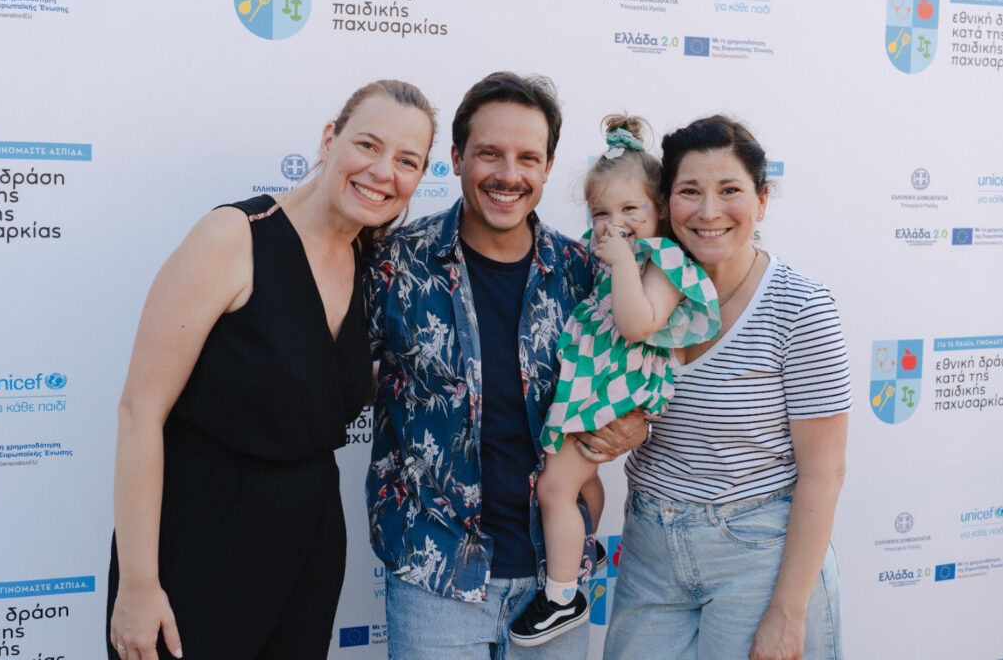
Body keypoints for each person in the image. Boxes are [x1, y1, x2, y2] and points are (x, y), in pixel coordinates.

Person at [106, 80, 436, 660]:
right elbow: (140, 413)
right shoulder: (233, 236)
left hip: (308, 546)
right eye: (368, 144)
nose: (384, 171)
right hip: (200, 536)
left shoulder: (371, 262)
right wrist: (138, 585)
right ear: (329, 140)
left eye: (407, 160)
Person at [364, 72, 647, 660]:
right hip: (434, 577)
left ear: (547, 168)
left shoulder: (584, 271)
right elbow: (329, 378)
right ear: (457, 158)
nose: (508, 175)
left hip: (554, 581)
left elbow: (645, 361)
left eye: (528, 158)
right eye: (490, 153)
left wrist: (637, 424)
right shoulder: (395, 264)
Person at [603, 115, 851, 660]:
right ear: (665, 203)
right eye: (690, 191)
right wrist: (625, 426)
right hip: (650, 554)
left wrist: (787, 613)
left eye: (730, 190)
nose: (709, 211)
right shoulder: (632, 290)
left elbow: (824, 473)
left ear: (761, 200)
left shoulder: (800, 307)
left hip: (759, 557)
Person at [509, 115, 720, 647]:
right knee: (581, 483)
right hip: (595, 381)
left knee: (554, 487)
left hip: (616, 388)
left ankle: (563, 595)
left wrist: (623, 260)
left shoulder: (664, 260)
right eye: (602, 212)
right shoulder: (610, 254)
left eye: (631, 210)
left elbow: (636, 323)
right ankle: (582, 548)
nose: (614, 223)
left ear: (659, 211)